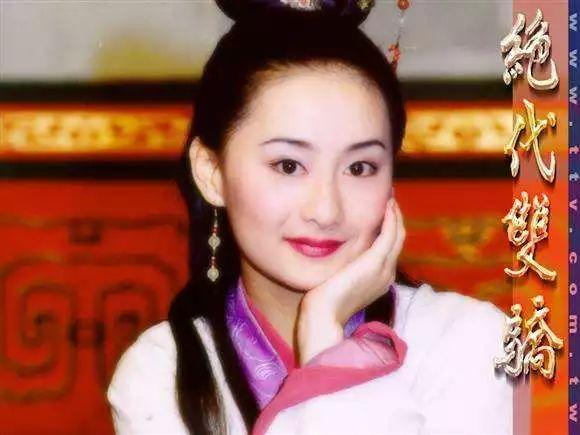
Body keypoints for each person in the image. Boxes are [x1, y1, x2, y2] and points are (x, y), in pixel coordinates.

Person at [106, 1, 514, 434]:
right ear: (211, 172)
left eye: (359, 168)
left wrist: (324, 338)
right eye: (288, 166)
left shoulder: (472, 343)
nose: (326, 210)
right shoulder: (163, 374)